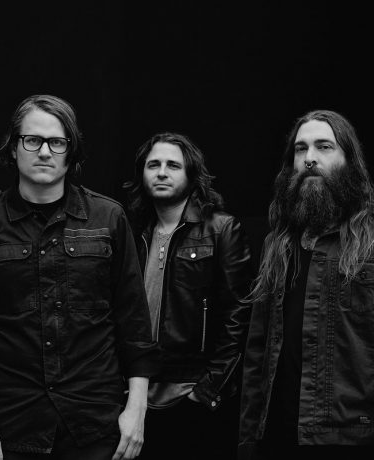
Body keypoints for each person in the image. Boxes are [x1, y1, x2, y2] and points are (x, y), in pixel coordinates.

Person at [0, 94, 158, 460]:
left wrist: (136, 410)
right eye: (33, 140)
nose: (44, 152)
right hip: (11, 422)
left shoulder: (108, 218)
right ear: (13, 148)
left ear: (71, 151)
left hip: (95, 420)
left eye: (57, 142)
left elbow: (134, 318)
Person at [239, 110, 374, 460]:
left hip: (355, 441)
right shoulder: (277, 243)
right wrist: (249, 438)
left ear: (349, 160)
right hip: (278, 437)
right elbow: (257, 351)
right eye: (300, 149)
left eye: (324, 146)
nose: (309, 158)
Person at [123, 132, 252, 459]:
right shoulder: (130, 230)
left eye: (173, 165)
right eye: (153, 165)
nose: (161, 172)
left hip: (191, 393)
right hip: (134, 394)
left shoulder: (221, 229)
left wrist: (207, 389)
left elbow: (239, 316)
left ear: (191, 175)